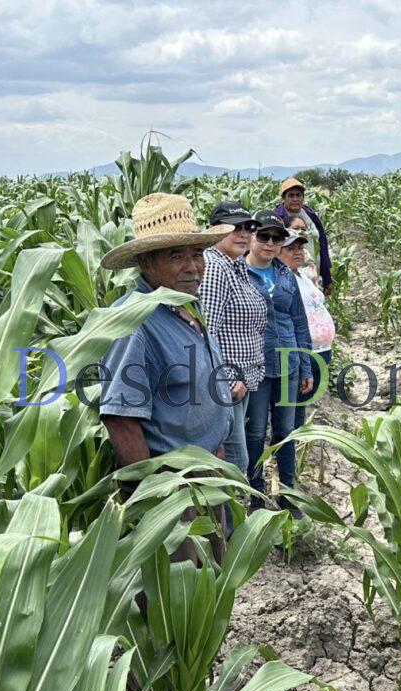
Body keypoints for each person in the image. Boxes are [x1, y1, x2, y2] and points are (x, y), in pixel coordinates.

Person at [97, 192, 236, 561]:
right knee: (177, 600)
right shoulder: (135, 322)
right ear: (146, 263)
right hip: (171, 490)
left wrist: (216, 445)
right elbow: (120, 418)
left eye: (197, 253)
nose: (193, 266)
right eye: (177, 256)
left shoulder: (186, 304)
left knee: (211, 588)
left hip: (207, 475)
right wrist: (155, 500)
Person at [244, 212, 313, 517]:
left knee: (286, 431)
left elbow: (299, 320)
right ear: (252, 237)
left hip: (289, 363)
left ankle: (287, 493)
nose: (271, 243)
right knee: (256, 433)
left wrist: (307, 366)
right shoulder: (238, 274)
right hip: (256, 366)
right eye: (264, 236)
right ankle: (255, 493)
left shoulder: (285, 274)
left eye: (277, 238)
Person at [197, 201, 267, 477]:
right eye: (233, 227)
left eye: (248, 227)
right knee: (234, 463)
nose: (243, 233)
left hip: (242, 381)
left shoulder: (235, 265)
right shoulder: (215, 268)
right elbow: (206, 330)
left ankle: (230, 517)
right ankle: (229, 519)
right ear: (212, 231)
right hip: (229, 385)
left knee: (236, 459)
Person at [279, 228, 336, 429]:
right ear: (278, 251)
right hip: (304, 352)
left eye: (300, 248)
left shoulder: (302, 274)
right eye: (290, 248)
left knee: (301, 404)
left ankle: (296, 444)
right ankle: (288, 447)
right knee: (293, 405)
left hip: (320, 351)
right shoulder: (282, 279)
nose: (297, 252)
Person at [273, 177, 333, 295]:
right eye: (291, 195)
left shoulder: (310, 214)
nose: (295, 199)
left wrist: (327, 278)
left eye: (298, 195)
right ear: (283, 198)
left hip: (313, 273)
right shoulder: (277, 218)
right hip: (291, 277)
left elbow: (322, 244)